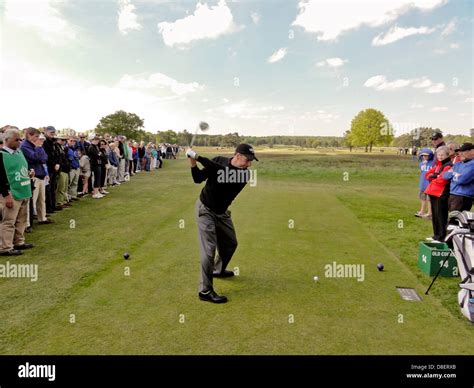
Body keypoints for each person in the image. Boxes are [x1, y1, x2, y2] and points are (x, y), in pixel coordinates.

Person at [187, 144, 259, 304]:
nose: (249, 164)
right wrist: (192, 161)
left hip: (222, 212)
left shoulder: (243, 176)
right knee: (209, 250)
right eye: (248, 160)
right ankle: (205, 290)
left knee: (231, 244)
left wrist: (198, 157)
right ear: (238, 155)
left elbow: (221, 171)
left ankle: (217, 270)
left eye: (251, 161)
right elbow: (198, 178)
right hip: (205, 209)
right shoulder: (219, 160)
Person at [0, 127, 35, 256]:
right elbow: (1, 177)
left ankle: (19, 241)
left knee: (22, 220)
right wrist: (6, 194)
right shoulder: (1, 155)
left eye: (20, 139)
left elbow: (22, 168)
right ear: (7, 140)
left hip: (24, 190)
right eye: (16, 140)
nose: (19, 142)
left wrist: (30, 172)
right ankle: (5, 247)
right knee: (8, 221)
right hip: (11, 193)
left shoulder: (19, 153)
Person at [424, 146, 452, 242]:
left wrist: (434, 177)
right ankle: (436, 235)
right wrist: (435, 176)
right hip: (433, 193)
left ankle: (441, 237)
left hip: (441, 194)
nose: (440, 157)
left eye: (442, 155)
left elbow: (442, 180)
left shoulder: (448, 165)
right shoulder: (438, 165)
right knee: (435, 215)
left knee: (441, 216)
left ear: (447, 155)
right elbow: (427, 174)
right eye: (438, 155)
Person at [444, 143, 474, 212]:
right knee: (452, 219)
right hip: (453, 194)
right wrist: (456, 174)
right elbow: (445, 176)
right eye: (459, 151)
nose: (460, 153)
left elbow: (462, 180)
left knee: (456, 221)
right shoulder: (458, 164)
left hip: (463, 197)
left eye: (463, 151)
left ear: (472, 151)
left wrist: (452, 174)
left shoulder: (472, 164)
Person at [415, 148, 434, 219]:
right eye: (423, 155)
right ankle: (422, 211)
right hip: (423, 183)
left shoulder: (433, 163)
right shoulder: (422, 163)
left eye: (426, 155)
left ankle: (429, 213)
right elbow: (421, 172)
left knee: (429, 199)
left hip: (429, 184)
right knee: (422, 198)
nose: (424, 157)